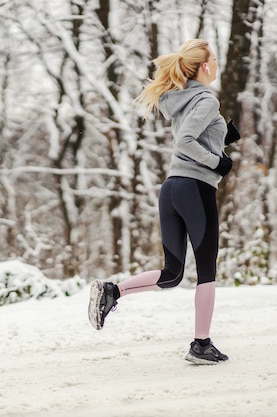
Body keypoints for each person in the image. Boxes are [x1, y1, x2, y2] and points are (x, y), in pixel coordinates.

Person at [87, 39, 240, 365]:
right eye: (213, 59)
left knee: (172, 273)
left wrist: (223, 137)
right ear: (203, 66)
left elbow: (192, 133)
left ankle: (112, 291)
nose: (216, 64)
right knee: (207, 272)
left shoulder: (182, 100)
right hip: (196, 188)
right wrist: (218, 163)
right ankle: (201, 345)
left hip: (171, 188)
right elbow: (186, 142)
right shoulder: (206, 99)